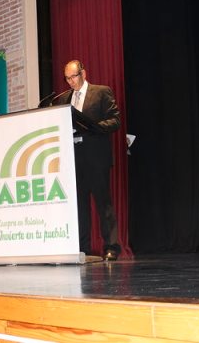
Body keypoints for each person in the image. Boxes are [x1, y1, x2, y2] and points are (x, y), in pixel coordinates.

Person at [54, 60, 121, 260]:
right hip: (73, 158)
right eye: (67, 78)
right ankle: (83, 248)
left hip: (96, 157)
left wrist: (94, 128)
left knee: (103, 203)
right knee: (79, 206)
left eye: (73, 76)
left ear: (83, 73)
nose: (70, 82)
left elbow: (115, 120)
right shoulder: (63, 99)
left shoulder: (101, 92)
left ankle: (111, 247)